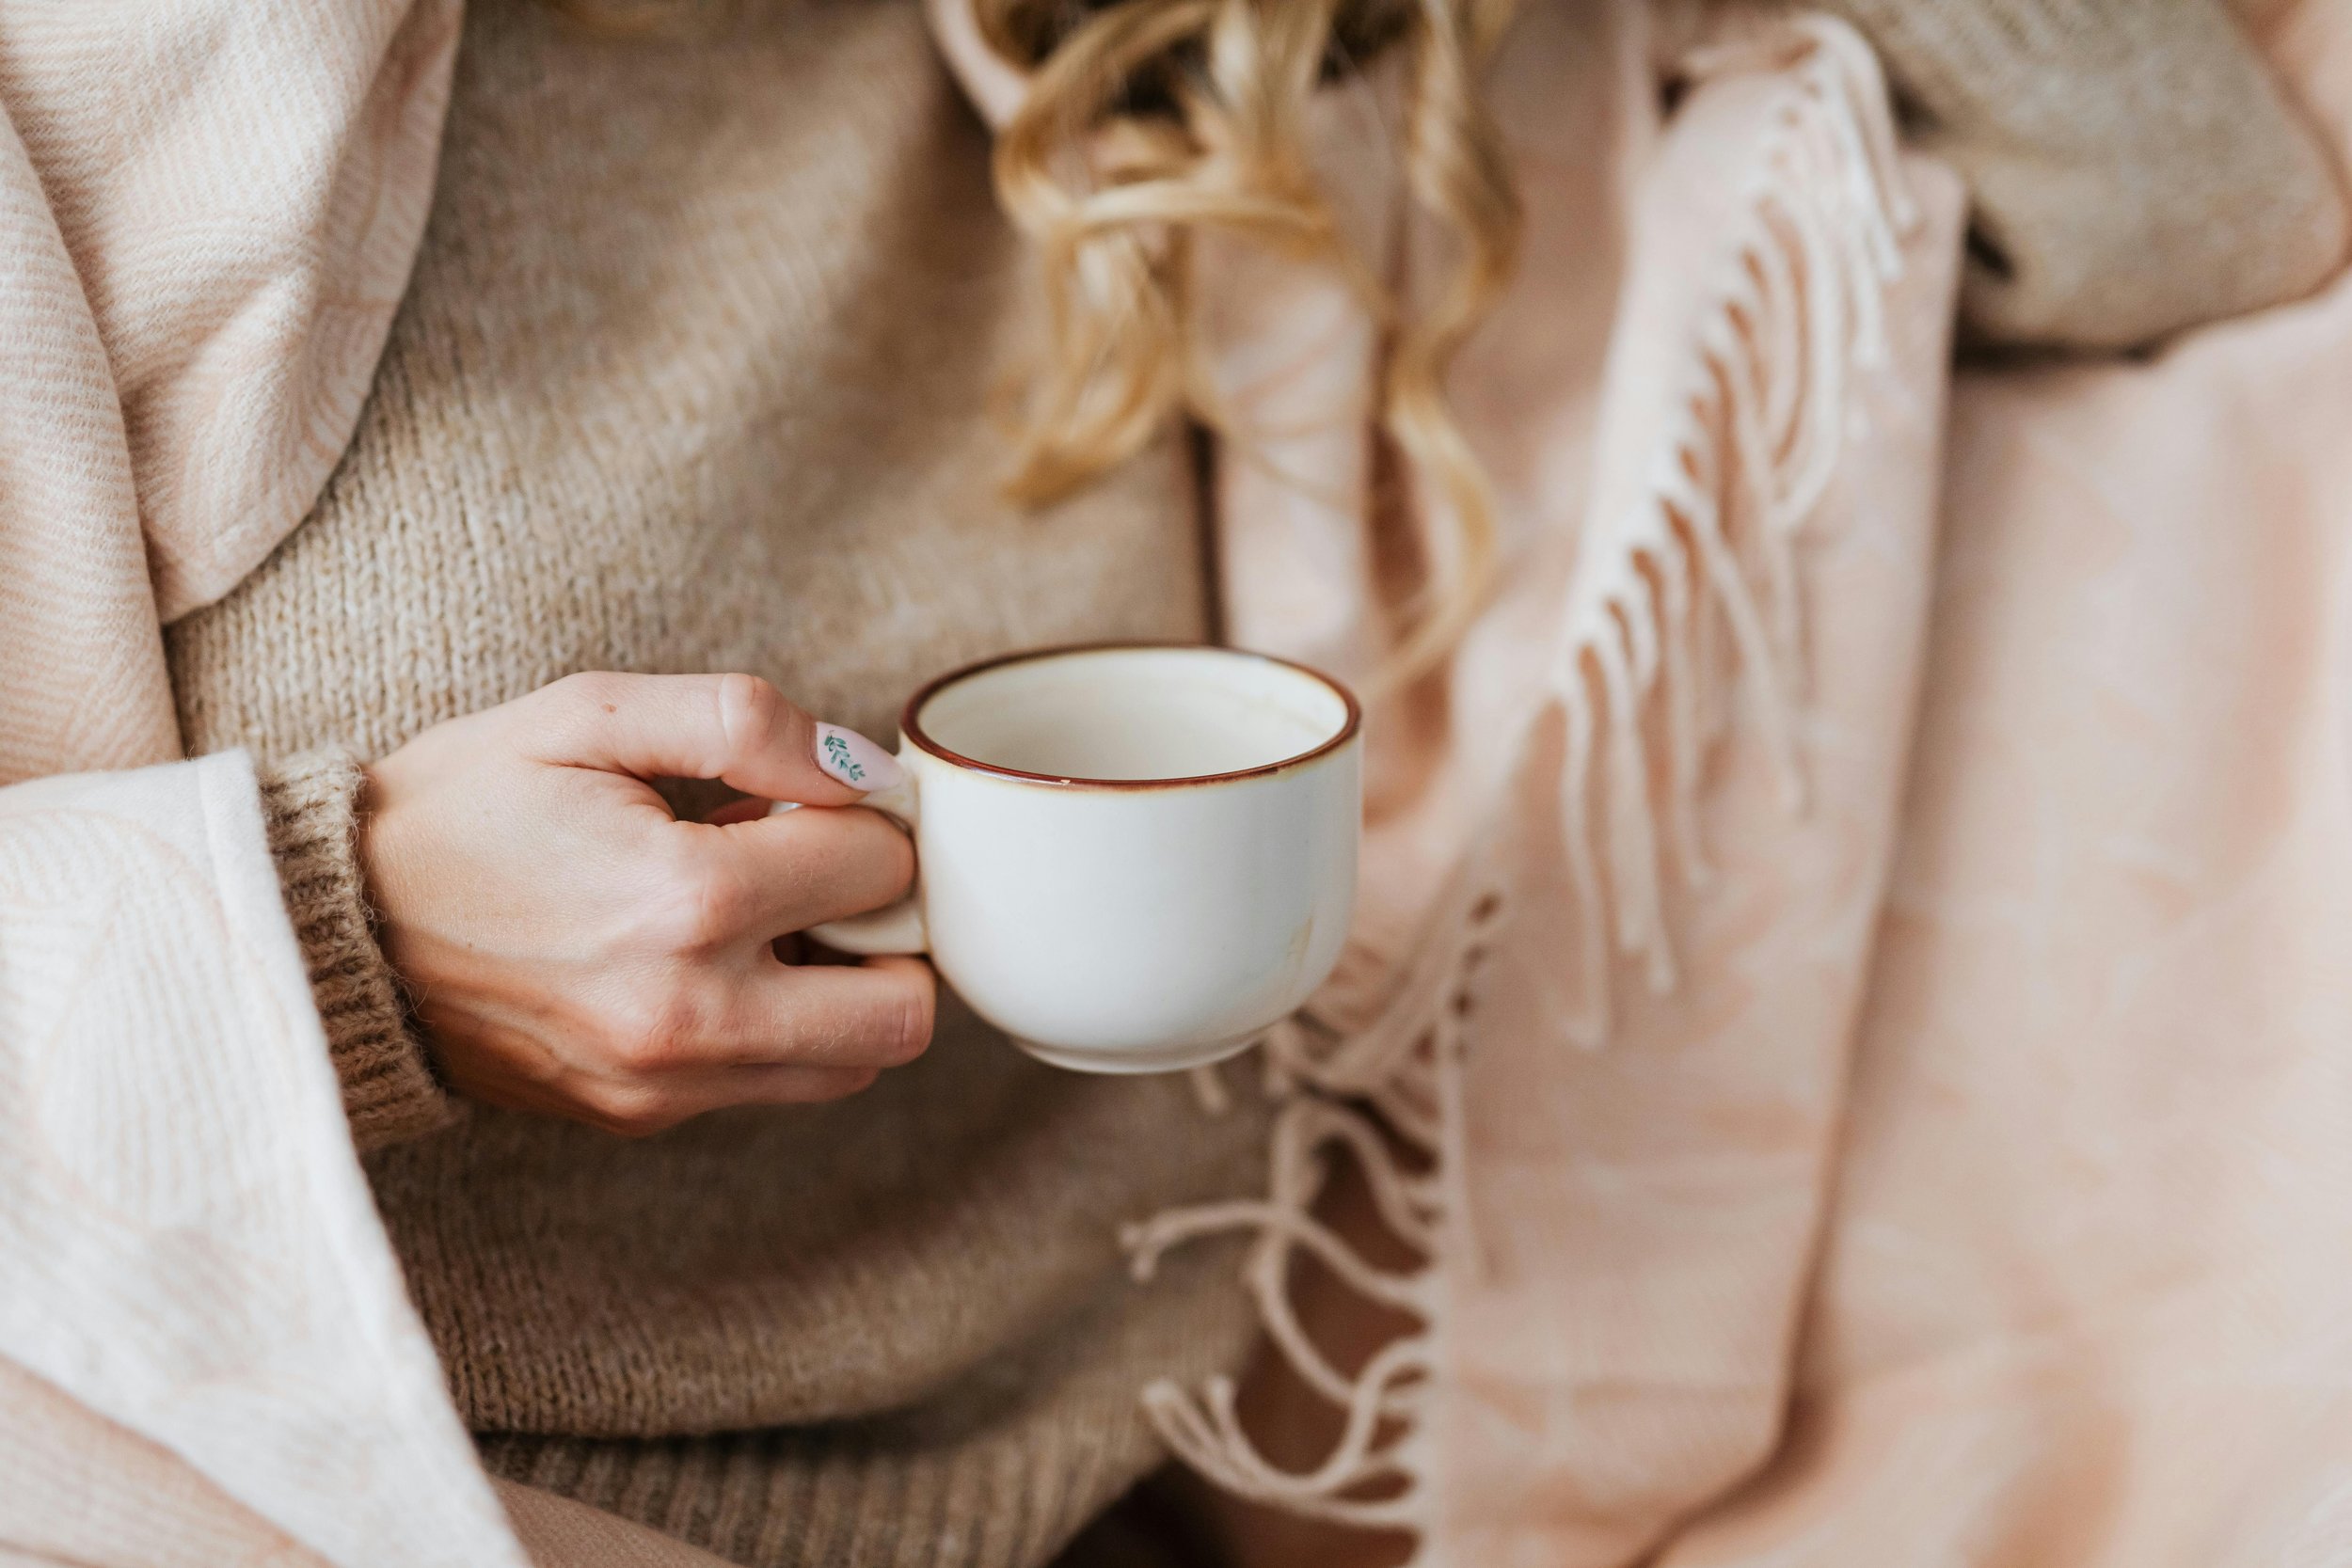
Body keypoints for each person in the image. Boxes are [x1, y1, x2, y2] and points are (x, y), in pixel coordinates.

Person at [1, 1, 2343, 1565]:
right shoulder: (136, 110)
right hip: (314, 1489)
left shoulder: (1190, 77)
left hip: (1152, 1498)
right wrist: (332, 942)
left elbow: (2191, 204)